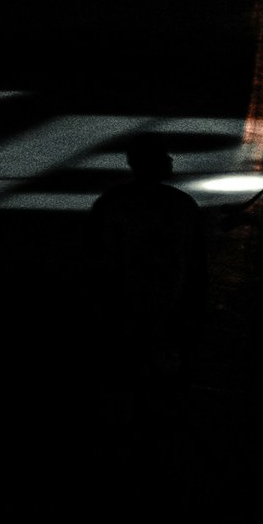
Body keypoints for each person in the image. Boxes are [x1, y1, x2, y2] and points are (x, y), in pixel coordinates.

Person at [89, 139, 207, 419]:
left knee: (128, 372)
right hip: (165, 302)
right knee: (161, 377)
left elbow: (99, 256)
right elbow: (195, 258)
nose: (170, 161)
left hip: (125, 304)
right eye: (164, 157)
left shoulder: (112, 203)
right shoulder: (182, 204)